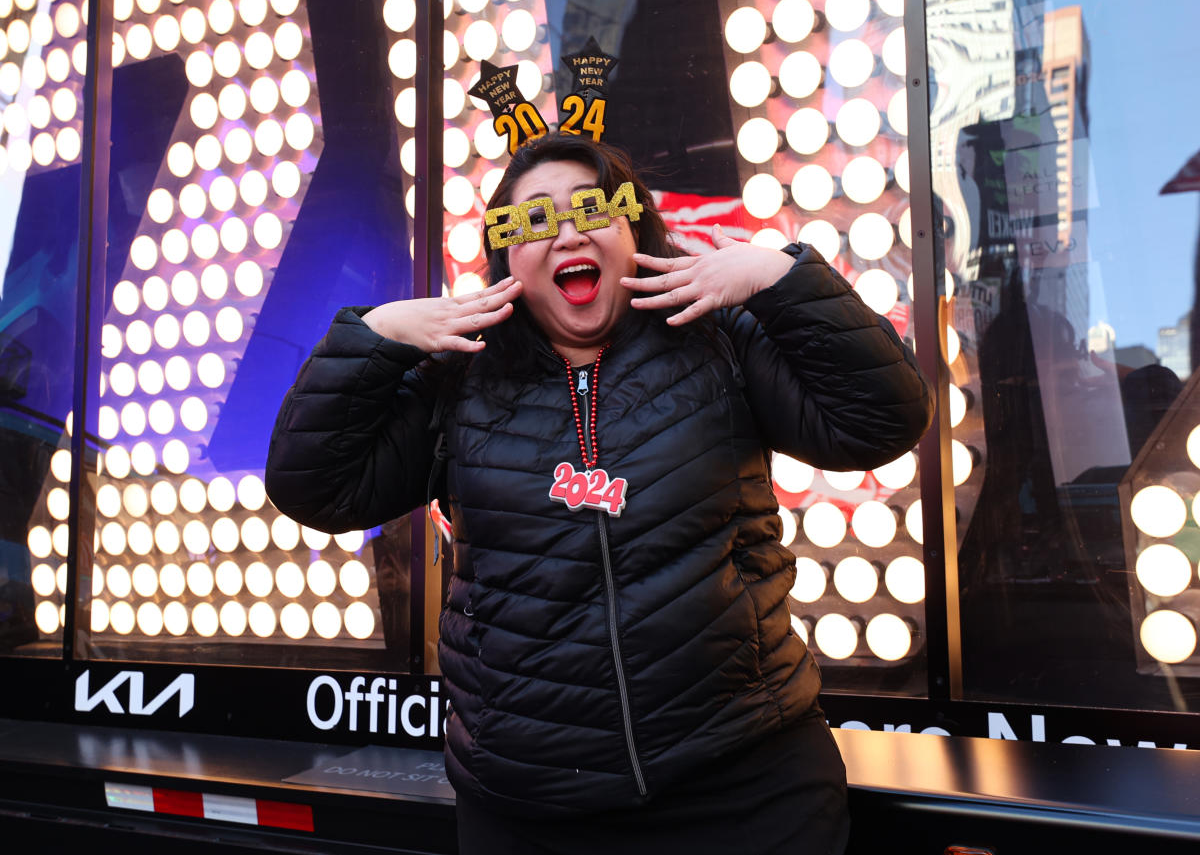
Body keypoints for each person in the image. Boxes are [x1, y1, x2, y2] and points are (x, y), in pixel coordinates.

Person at [265, 133, 933, 854]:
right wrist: (378, 335)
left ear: (633, 226)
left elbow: (882, 420)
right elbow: (316, 488)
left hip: (747, 787)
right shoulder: (458, 384)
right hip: (529, 808)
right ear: (505, 255)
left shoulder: (718, 342)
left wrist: (781, 275)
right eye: (533, 220)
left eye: (593, 208)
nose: (567, 234)